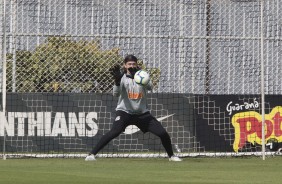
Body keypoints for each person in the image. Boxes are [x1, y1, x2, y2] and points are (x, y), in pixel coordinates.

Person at [85, 54, 182, 162]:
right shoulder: (121, 78)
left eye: (133, 64)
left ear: (136, 65)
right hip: (124, 112)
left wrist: (141, 78)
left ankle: (171, 156)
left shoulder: (142, 75)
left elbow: (150, 87)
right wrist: (117, 82)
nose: (131, 66)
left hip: (142, 114)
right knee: (114, 132)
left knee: (162, 133)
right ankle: (91, 154)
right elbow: (116, 94)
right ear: (125, 65)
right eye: (129, 64)